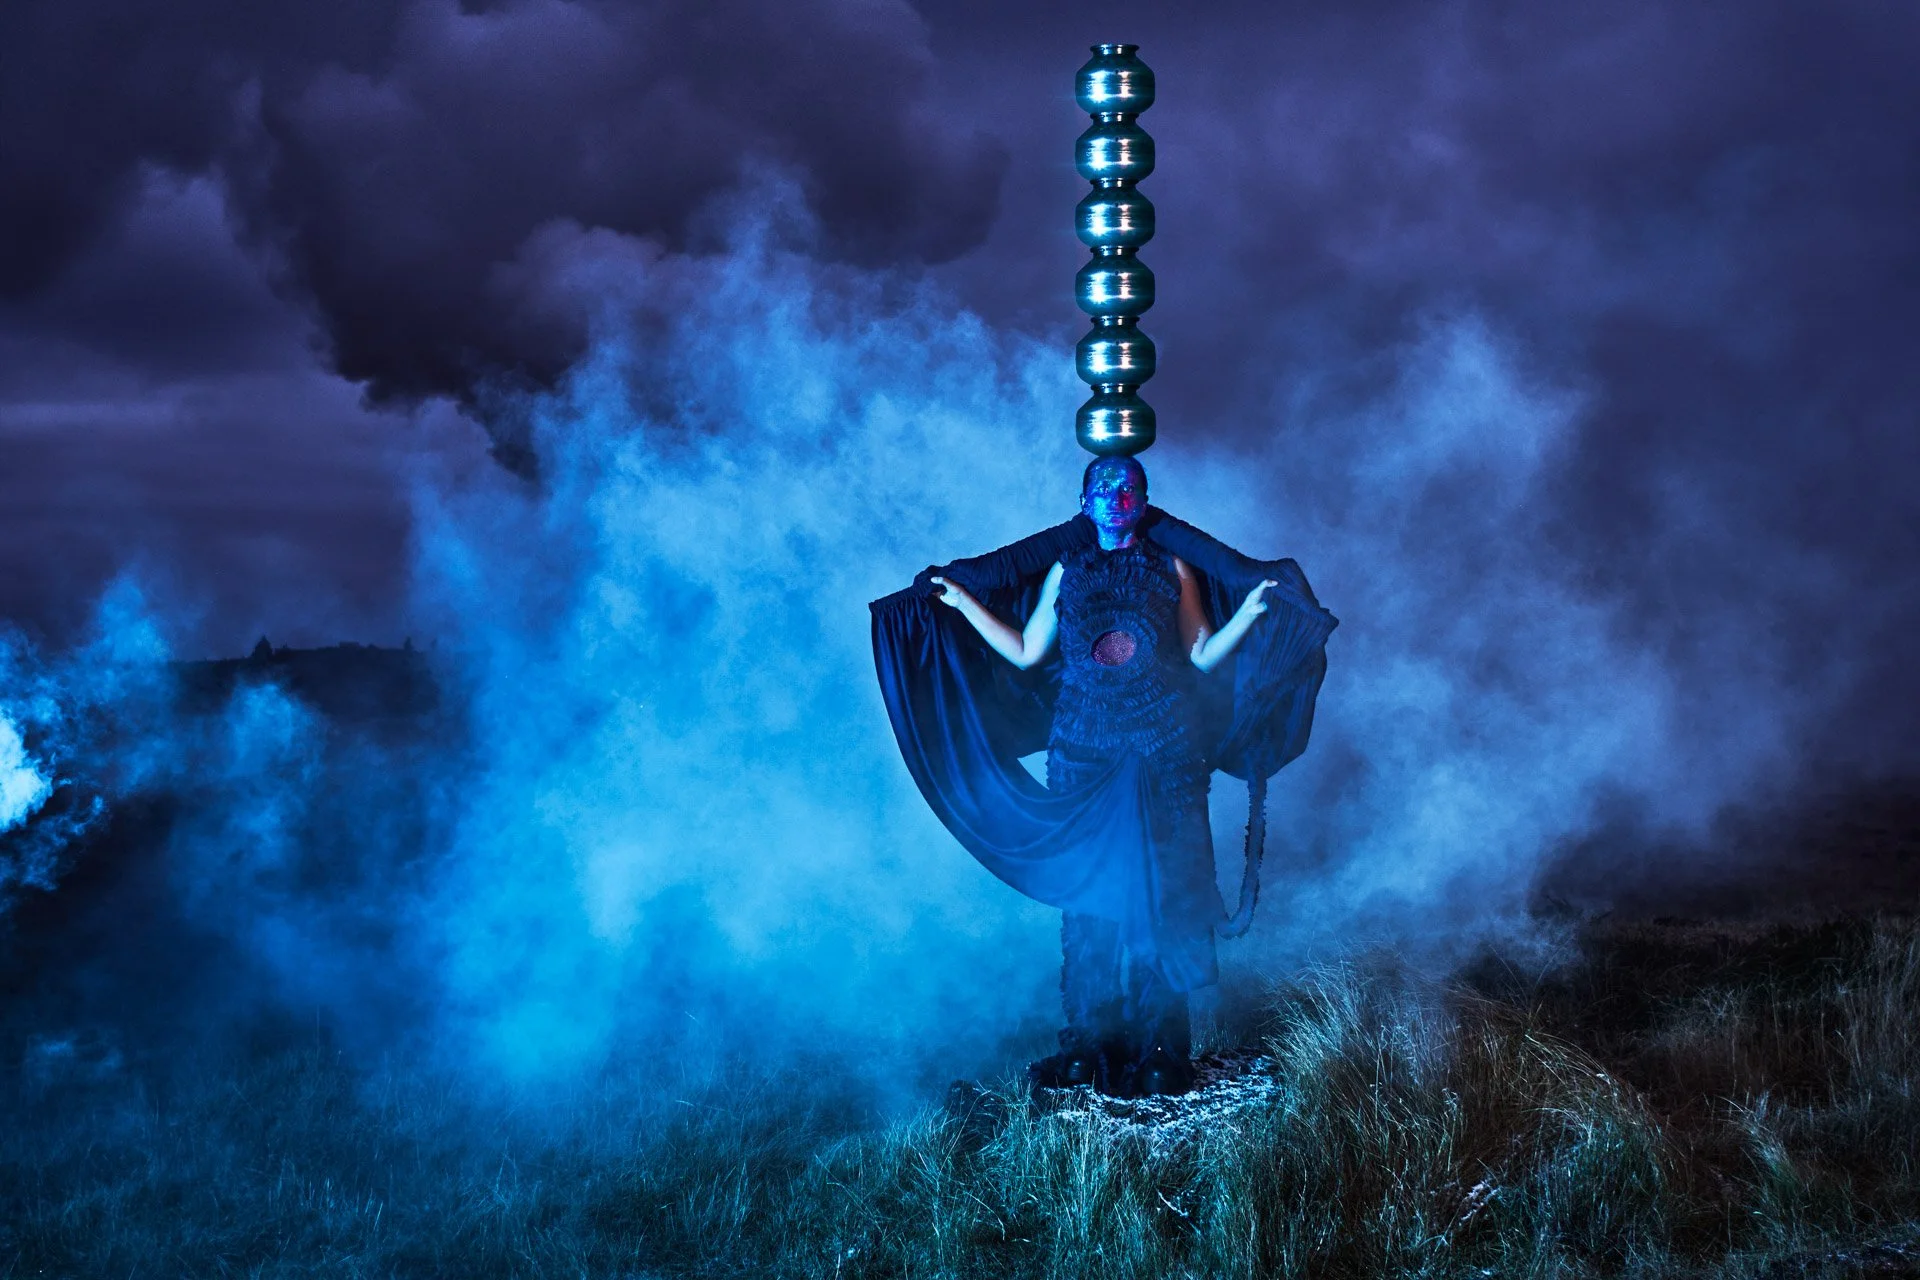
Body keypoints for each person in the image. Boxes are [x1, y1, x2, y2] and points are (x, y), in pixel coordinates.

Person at [868, 457, 1335, 1098]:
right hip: (1083, 756)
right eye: (1104, 488)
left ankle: (1163, 1049)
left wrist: (1248, 615)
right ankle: (1090, 1043)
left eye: (1130, 488)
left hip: (1164, 751)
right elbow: (1028, 651)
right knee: (1090, 900)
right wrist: (965, 603)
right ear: (1084, 501)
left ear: (1144, 501)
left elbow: (1200, 654)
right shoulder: (1066, 569)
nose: (1117, 496)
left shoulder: (1174, 568)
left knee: (1165, 893)